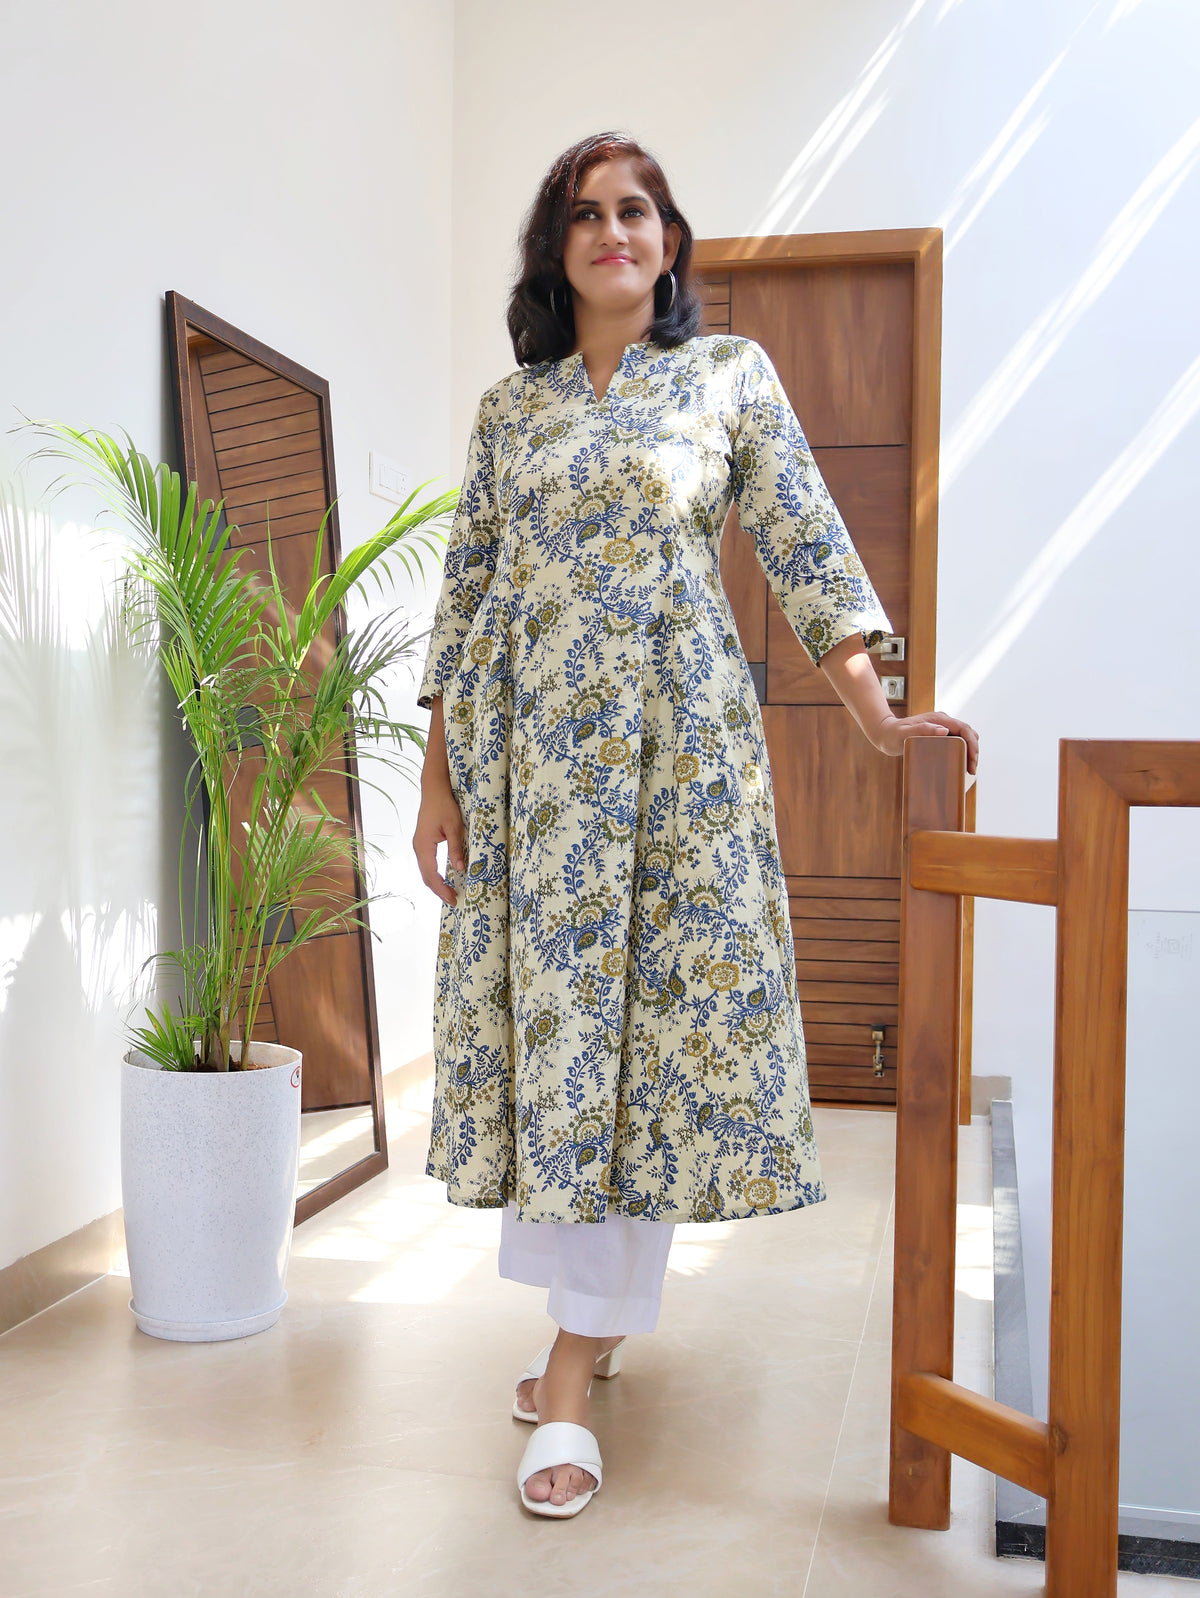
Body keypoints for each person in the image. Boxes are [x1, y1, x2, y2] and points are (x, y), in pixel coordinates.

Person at [412, 131, 979, 1519]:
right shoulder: (512, 411)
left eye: (640, 210)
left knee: (650, 1047)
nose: (615, 230)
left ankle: (565, 1361)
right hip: (536, 776)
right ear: (558, 249)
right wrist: (438, 781)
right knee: (563, 1049)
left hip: (678, 767)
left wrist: (881, 720)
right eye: (588, 214)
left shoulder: (728, 378)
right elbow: (468, 591)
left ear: (669, 242)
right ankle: (588, 1325)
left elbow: (805, 544)